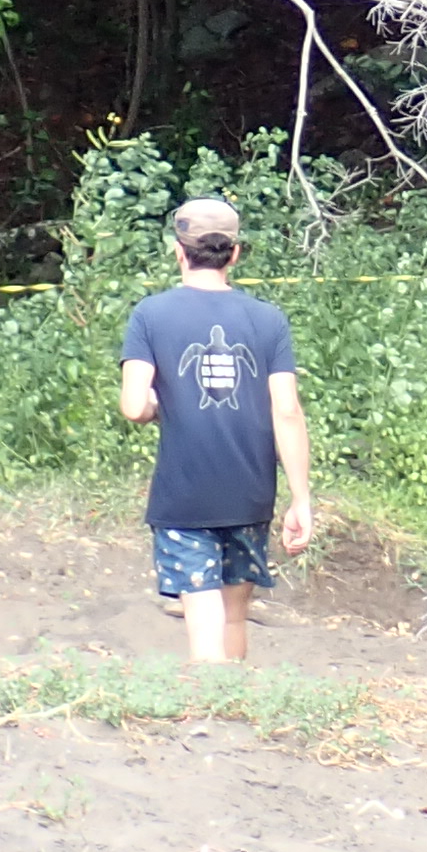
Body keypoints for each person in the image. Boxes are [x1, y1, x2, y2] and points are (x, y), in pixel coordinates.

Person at [116, 197, 314, 663]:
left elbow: (132, 405)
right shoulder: (267, 319)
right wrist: (301, 498)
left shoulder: (151, 314)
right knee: (233, 616)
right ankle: (238, 707)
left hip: (183, 495)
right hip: (249, 493)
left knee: (201, 612)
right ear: (236, 253)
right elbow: (286, 411)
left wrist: (155, 407)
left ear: (178, 251)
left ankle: (211, 712)